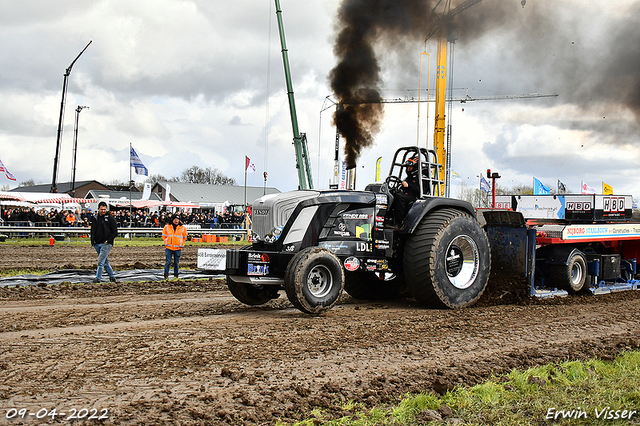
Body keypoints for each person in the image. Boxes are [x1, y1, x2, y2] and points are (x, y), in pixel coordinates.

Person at [89, 201, 118, 283]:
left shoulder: (110, 219)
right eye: (101, 209)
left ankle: (98, 278)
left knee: (100, 262)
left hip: (106, 244)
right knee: (105, 262)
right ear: (98, 209)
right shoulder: (95, 218)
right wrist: (93, 241)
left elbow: (115, 232)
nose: (103, 211)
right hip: (97, 243)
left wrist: (108, 240)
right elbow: (93, 230)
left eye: (104, 209)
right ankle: (112, 277)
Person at [390, 156, 421, 227]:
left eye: (410, 167)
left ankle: (398, 223)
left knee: (400, 198)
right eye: (408, 167)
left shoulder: (422, 178)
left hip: (416, 198)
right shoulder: (408, 178)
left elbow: (420, 190)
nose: (408, 169)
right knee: (393, 195)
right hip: (407, 196)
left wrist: (408, 186)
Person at [162, 213, 188, 280]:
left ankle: (176, 276)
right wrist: (167, 242)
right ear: (172, 220)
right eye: (175, 219)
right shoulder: (167, 227)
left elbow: (185, 237)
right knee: (168, 262)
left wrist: (181, 243)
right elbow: (164, 236)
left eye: (178, 219)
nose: (176, 221)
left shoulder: (183, 228)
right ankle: (166, 276)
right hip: (169, 248)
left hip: (178, 248)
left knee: (176, 263)